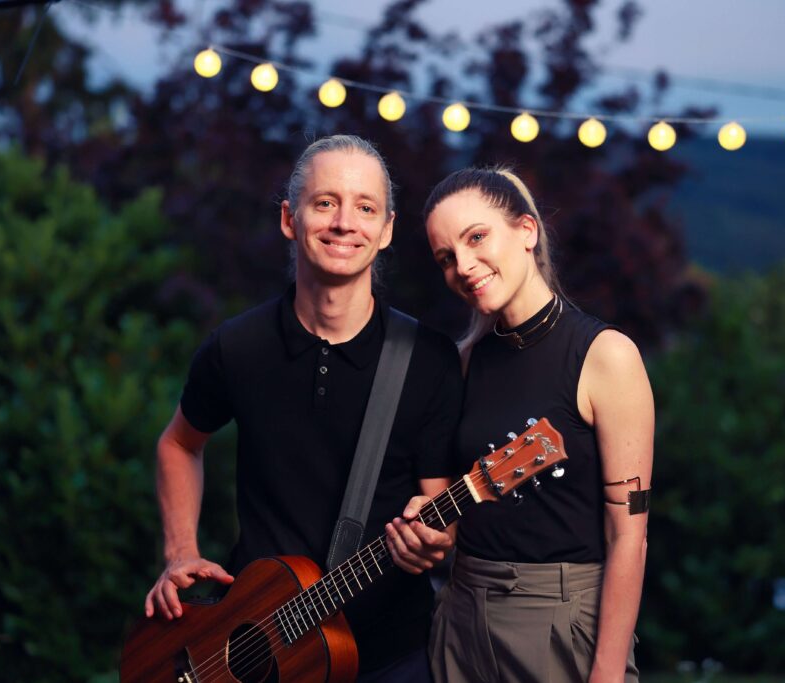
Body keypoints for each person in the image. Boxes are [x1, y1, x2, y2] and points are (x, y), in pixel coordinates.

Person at [142, 135, 462, 681]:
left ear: (385, 230)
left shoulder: (428, 359)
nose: (344, 222)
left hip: (387, 656)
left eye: (365, 207)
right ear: (290, 219)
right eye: (325, 202)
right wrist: (180, 552)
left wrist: (433, 542)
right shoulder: (237, 348)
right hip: (251, 646)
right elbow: (178, 443)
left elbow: (438, 510)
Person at [410, 167, 654, 682]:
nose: (464, 266)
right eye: (446, 258)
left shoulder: (606, 356)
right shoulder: (463, 363)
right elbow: (454, 513)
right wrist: (424, 526)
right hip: (461, 618)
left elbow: (629, 535)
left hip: (562, 622)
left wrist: (607, 671)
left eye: (477, 238)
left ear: (526, 230)